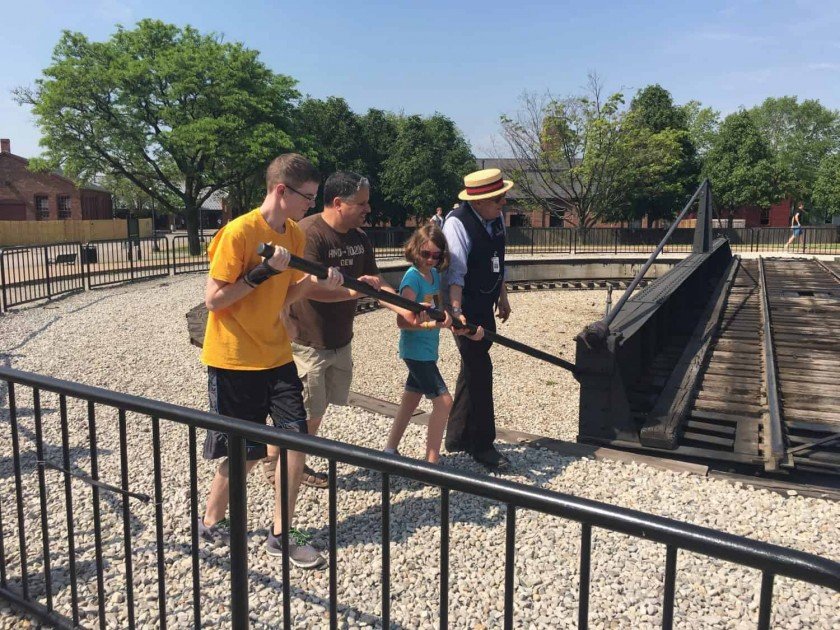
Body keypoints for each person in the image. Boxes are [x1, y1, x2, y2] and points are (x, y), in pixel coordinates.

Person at [198, 153, 344, 569]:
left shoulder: (294, 235)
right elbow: (214, 300)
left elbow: (288, 294)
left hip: (277, 356)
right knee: (244, 452)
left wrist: (319, 283)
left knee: (296, 440)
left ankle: (281, 534)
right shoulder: (239, 233)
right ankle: (210, 520)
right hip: (235, 359)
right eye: (307, 197)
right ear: (282, 190)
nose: (311, 206)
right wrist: (260, 273)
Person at [263, 171, 425, 487]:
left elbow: (375, 286)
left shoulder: (359, 239)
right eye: (361, 203)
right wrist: (355, 292)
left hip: (339, 340)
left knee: (316, 409)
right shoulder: (309, 233)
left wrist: (409, 310)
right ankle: (283, 465)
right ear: (339, 203)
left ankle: (283, 458)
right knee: (305, 411)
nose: (368, 209)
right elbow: (307, 288)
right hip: (307, 341)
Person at [442, 168, 514, 470]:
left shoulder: (494, 219)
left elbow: (500, 259)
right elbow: (454, 273)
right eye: (498, 200)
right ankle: (482, 443)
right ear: (480, 201)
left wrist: (503, 295)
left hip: (486, 300)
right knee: (480, 368)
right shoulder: (457, 224)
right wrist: (457, 314)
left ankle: (457, 436)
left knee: (472, 365)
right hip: (464, 304)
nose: (503, 205)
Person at [384, 224, 453, 463]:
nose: (431, 260)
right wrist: (431, 324)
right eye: (426, 254)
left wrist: (444, 316)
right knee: (444, 403)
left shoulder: (434, 275)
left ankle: (390, 450)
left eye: (437, 255)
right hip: (416, 352)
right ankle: (431, 462)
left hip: (427, 350)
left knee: (410, 401)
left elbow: (435, 307)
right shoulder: (412, 278)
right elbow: (403, 322)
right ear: (415, 250)